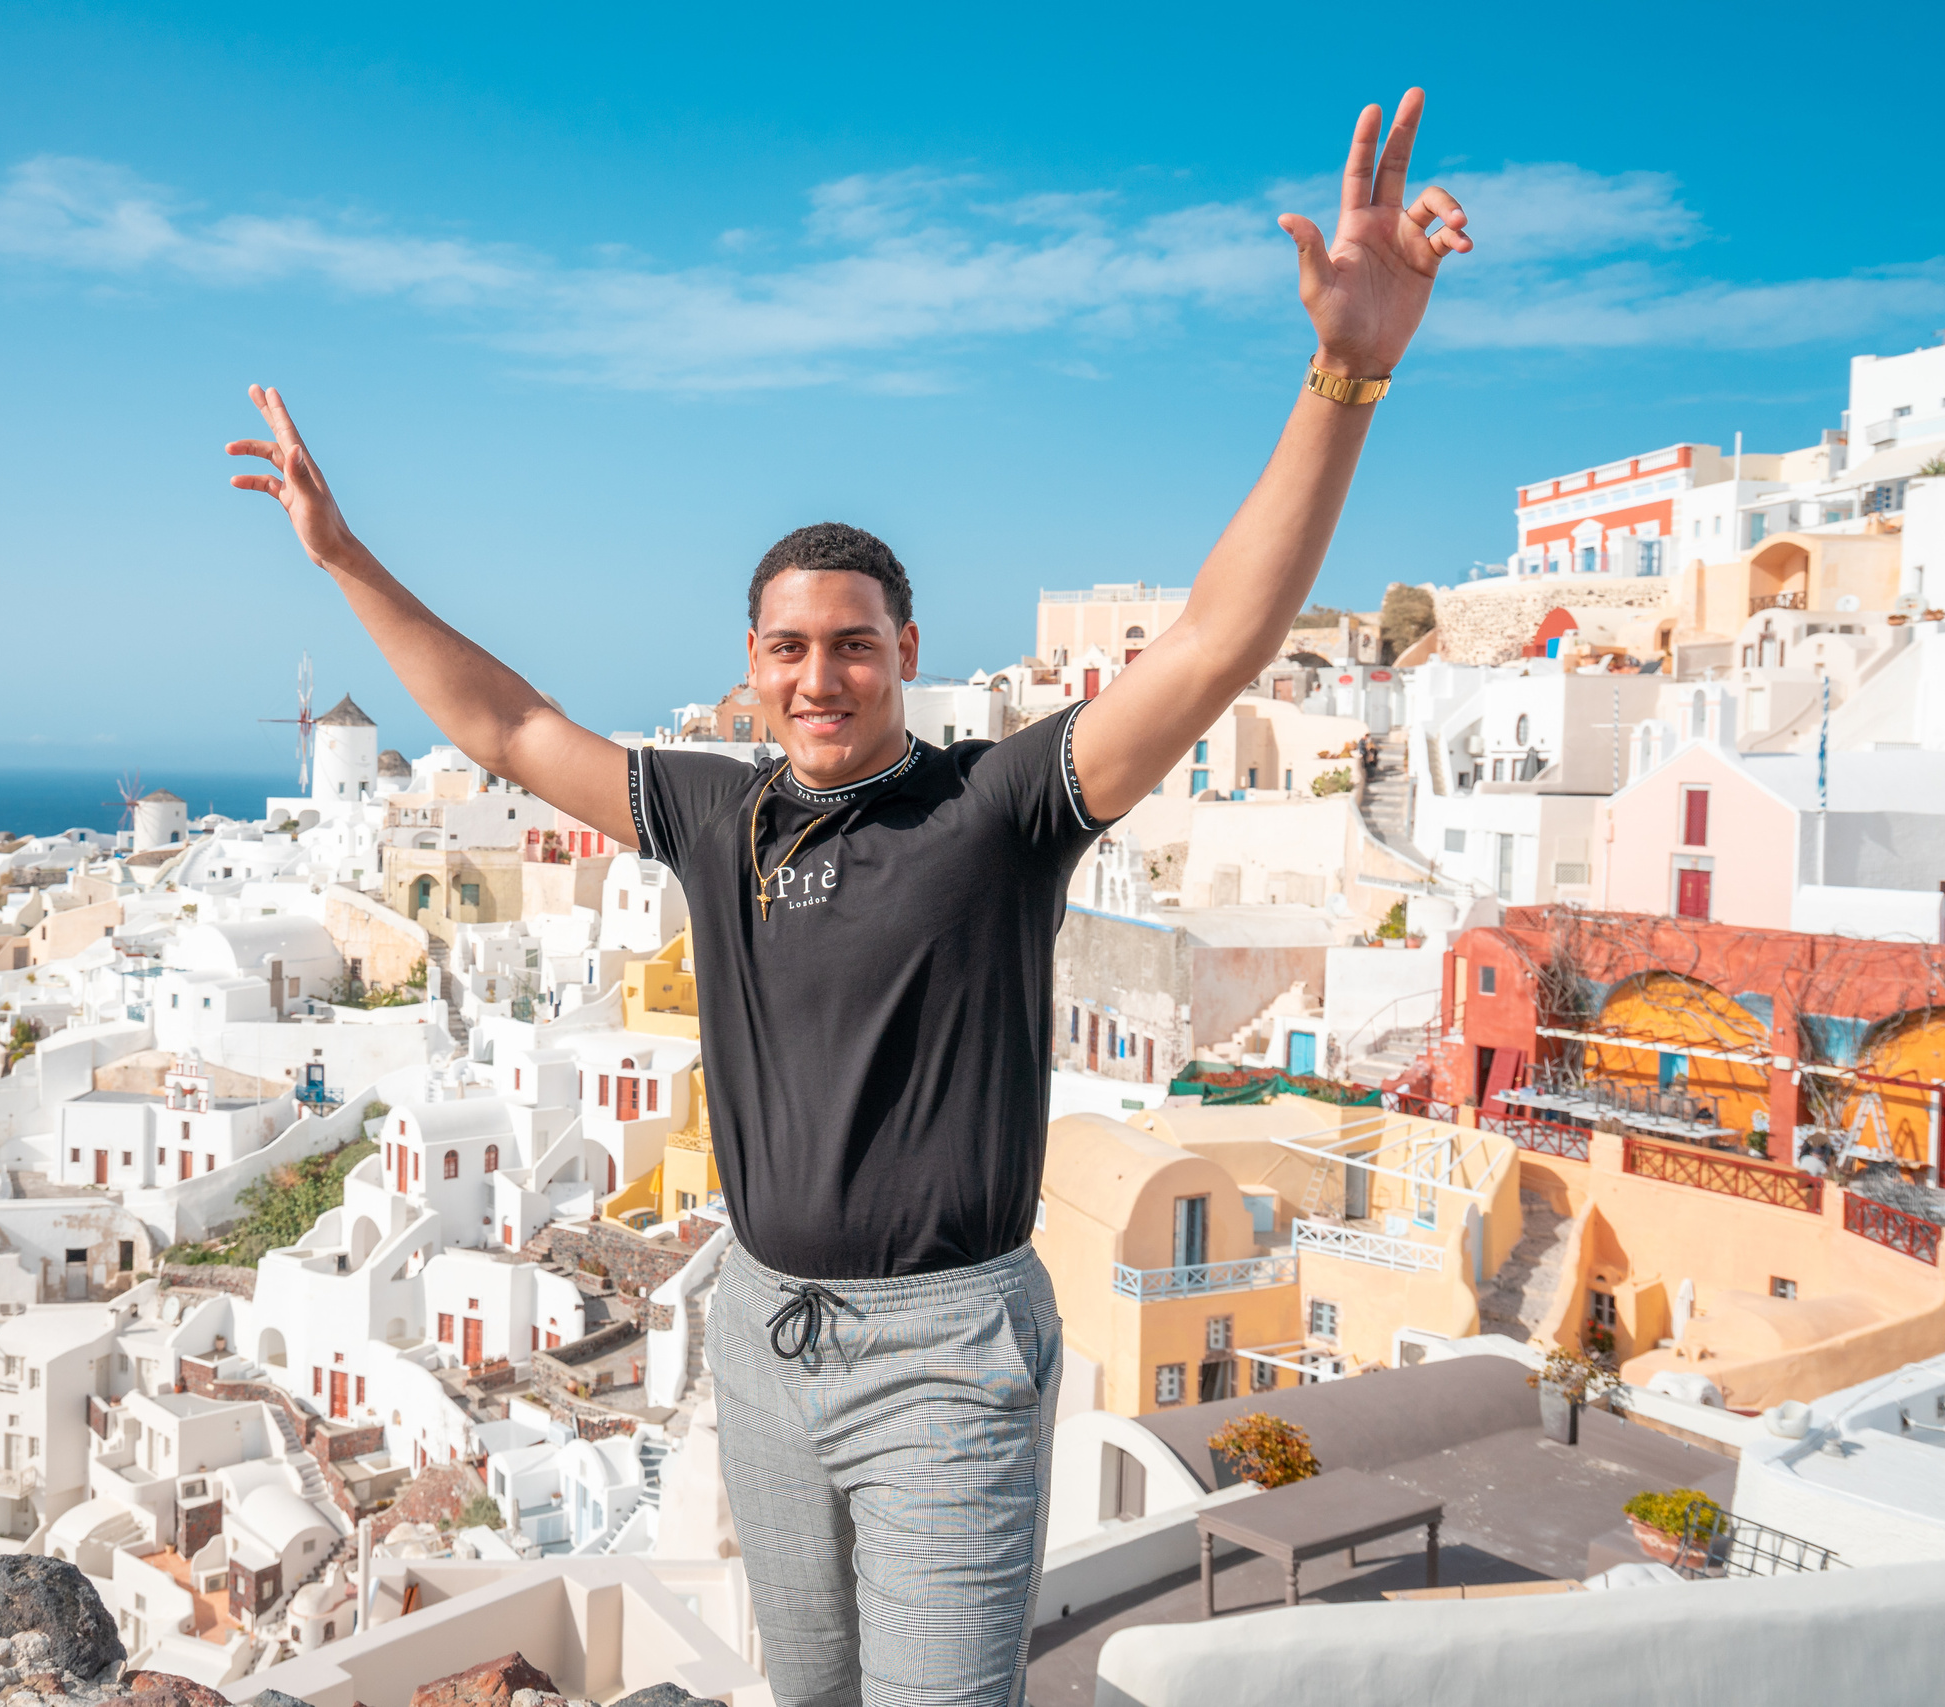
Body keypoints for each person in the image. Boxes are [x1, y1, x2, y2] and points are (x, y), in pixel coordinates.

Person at [226, 88, 1471, 1707]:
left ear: (904, 654)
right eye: (789, 648)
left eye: (855, 642)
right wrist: (342, 556)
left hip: (950, 1360)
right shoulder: (713, 811)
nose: (822, 674)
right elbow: (507, 724)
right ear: (751, 672)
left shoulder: (1000, 804)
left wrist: (1346, 375)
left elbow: (1219, 639)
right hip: (760, 1336)